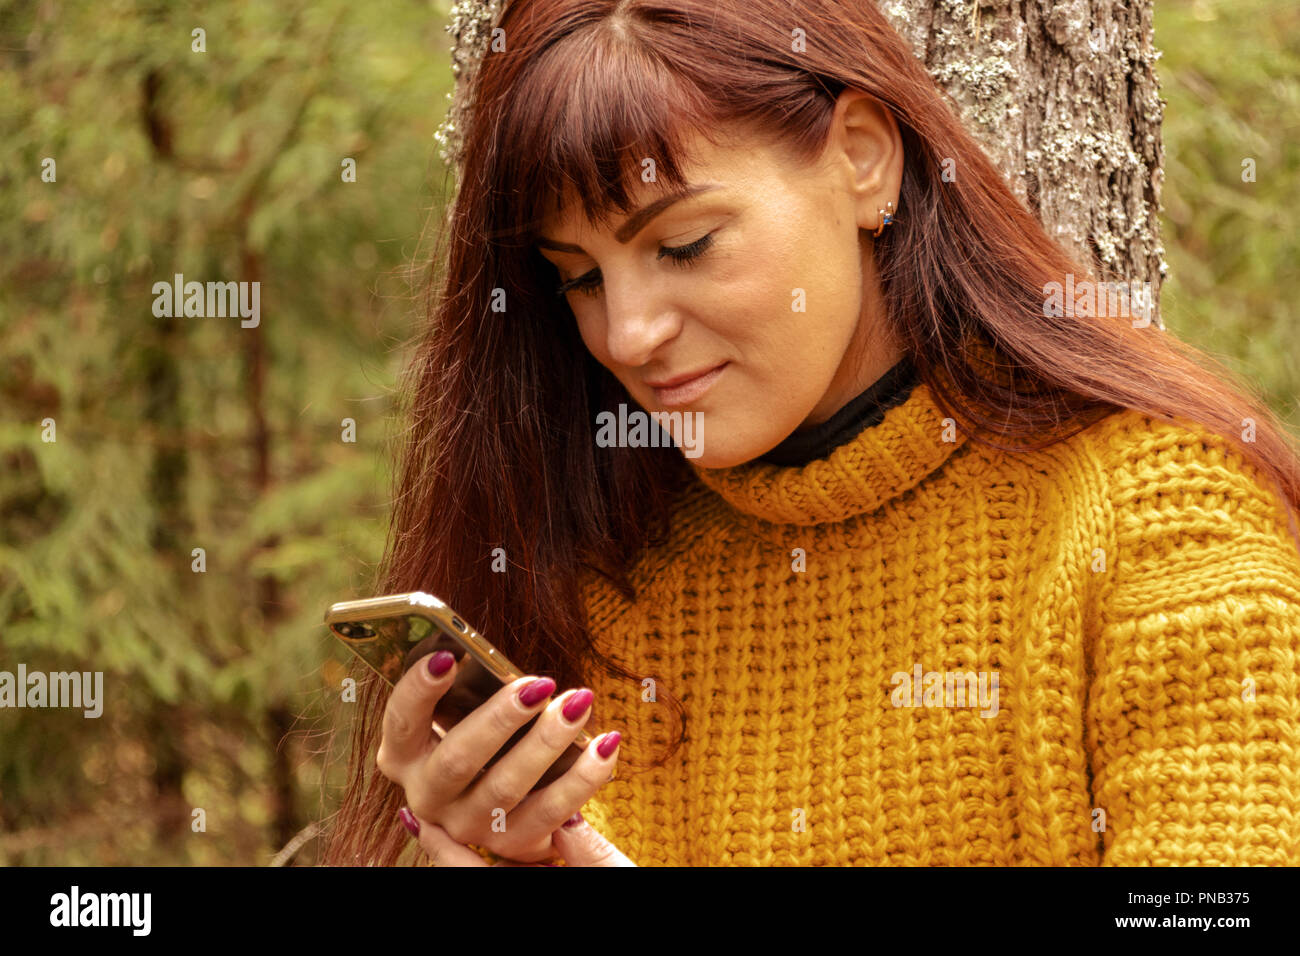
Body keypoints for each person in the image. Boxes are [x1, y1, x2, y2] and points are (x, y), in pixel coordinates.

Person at [324, 0, 1300, 866]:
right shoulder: (598, 573)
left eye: (684, 244)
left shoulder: (1161, 529)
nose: (626, 332)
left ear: (864, 157)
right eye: (579, 275)